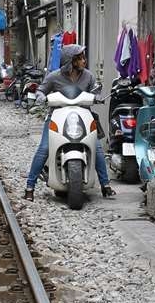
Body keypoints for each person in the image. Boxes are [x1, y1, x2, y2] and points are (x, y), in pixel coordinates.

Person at [24, 44, 115, 201]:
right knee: (44, 148)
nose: (84, 61)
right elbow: (41, 90)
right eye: (79, 58)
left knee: (97, 147)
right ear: (70, 61)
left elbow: (95, 90)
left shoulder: (88, 76)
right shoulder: (54, 76)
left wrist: (97, 97)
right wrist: (40, 97)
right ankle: (29, 187)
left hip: (83, 116)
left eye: (83, 57)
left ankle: (105, 186)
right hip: (57, 116)